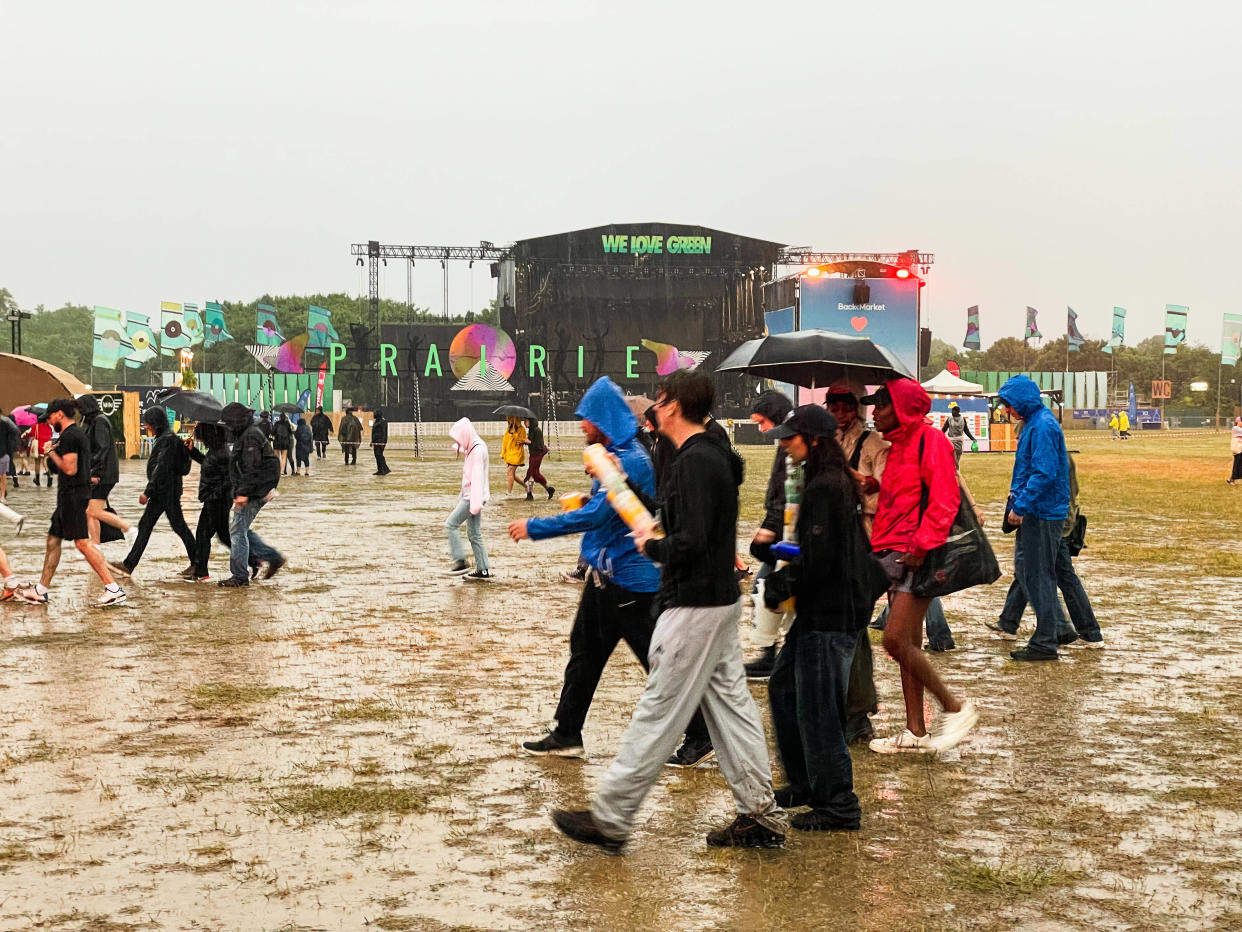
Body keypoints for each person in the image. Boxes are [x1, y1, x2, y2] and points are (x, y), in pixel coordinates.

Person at [551, 370, 787, 852]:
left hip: (696, 602)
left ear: (674, 405)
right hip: (714, 599)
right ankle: (760, 814)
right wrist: (618, 486)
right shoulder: (701, 455)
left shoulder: (697, 460)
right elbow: (675, 514)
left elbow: (691, 539)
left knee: (658, 712)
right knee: (732, 709)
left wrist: (655, 548)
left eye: (657, 400)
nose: (651, 409)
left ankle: (612, 818)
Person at [511, 376, 713, 766]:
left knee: (661, 663)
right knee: (584, 654)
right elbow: (611, 509)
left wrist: (534, 527)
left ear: (602, 419)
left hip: (633, 584)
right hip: (605, 579)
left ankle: (701, 735)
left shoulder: (630, 459)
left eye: (586, 419)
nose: (582, 426)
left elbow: (600, 513)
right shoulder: (614, 453)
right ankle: (567, 733)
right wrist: (592, 499)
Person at [758, 405, 886, 832]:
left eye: (789, 437)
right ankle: (804, 783)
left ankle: (838, 804)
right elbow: (818, 549)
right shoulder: (825, 481)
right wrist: (779, 552)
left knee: (817, 708)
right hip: (822, 609)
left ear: (812, 439)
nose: (783, 444)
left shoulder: (827, 486)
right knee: (783, 688)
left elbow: (822, 561)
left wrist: (781, 585)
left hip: (830, 613)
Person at [864, 380, 978, 753]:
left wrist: (921, 546)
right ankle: (916, 731)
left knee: (894, 639)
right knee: (907, 645)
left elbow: (945, 498)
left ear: (900, 406)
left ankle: (954, 707)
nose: (874, 411)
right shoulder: (897, 446)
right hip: (895, 555)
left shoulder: (931, 441)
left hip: (918, 556)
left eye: (881, 404)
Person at [15, 399, 126, 606]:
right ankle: (41, 589)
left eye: (49, 417)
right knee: (53, 541)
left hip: (74, 496)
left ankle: (113, 588)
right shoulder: (73, 435)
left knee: (83, 543)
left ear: (59, 414)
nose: (48, 422)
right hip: (69, 495)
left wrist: (50, 452)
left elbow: (69, 469)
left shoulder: (72, 436)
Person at [988, 453, 1103, 647]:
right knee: (1031, 571)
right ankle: (1008, 623)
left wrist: (1021, 508)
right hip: (1059, 521)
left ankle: (1075, 630)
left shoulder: (1046, 457)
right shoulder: (1063, 455)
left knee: (1049, 575)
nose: (1019, 439)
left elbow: (1040, 486)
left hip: (1049, 523)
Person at [996, 375, 1072, 661]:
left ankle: (1045, 642)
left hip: (1041, 513)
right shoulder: (1037, 423)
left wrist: (1021, 506)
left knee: (1038, 577)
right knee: (1040, 575)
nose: (1007, 410)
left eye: (1009, 405)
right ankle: (1055, 632)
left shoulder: (1041, 426)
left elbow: (1043, 473)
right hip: (1042, 511)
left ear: (1021, 402)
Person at [107, 406, 196, 579]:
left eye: (148, 423)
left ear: (155, 423)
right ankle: (197, 564)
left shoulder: (167, 441)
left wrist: (148, 492)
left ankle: (129, 565)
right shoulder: (170, 439)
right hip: (168, 491)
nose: (146, 426)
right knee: (173, 527)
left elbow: (161, 467)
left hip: (163, 492)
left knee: (153, 527)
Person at [742, 390, 794, 679]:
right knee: (765, 589)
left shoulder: (792, 445)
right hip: (782, 529)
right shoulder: (787, 443)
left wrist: (771, 525)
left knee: (765, 588)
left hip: (787, 534)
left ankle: (771, 656)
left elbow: (787, 493)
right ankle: (771, 654)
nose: (760, 429)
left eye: (762, 422)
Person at [218, 402, 285, 587]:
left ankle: (240, 576)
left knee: (237, 531)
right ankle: (271, 557)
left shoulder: (250, 436)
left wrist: (243, 494)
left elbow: (251, 467)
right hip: (255, 489)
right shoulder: (247, 434)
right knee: (240, 528)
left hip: (255, 491)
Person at [77, 395, 136, 547]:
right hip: (102, 473)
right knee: (90, 510)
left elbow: (102, 448)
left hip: (103, 474)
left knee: (93, 511)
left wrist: (96, 472)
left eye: (80, 408)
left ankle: (128, 529)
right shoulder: (93, 422)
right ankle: (96, 544)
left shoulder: (100, 421)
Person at [443, 418, 491, 581]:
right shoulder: (474, 446)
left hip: (472, 498)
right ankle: (483, 569)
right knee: (474, 534)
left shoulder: (477, 451)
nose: (458, 441)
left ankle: (460, 562)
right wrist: (457, 446)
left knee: (451, 524)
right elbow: (466, 449)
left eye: (458, 438)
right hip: (473, 497)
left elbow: (477, 479)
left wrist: (475, 504)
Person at [184, 422, 233, 582]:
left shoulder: (223, 453)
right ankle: (255, 560)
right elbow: (208, 464)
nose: (200, 439)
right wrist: (193, 452)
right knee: (223, 536)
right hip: (215, 499)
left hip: (218, 500)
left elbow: (229, 480)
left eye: (202, 436)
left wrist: (213, 494)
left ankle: (201, 573)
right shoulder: (217, 451)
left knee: (204, 535)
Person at [521, 417, 554, 501]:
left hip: (537, 455)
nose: (524, 423)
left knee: (532, 473)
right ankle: (549, 489)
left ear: (530, 421)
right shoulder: (532, 430)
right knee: (535, 474)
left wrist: (529, 442)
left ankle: (529, 494)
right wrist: (524, 442)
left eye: (526, 421)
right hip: (533, 454)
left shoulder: (537, 430)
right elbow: (531, 442)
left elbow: (539, 445)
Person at [501, 415, 526, 494]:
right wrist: (503, 453)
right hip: (509, 454)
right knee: (512, 475)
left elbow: (521, 441)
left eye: (510, 418)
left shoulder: (521, 429)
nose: (508, 419)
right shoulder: (508, 429)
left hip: (517, 454)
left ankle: (509, 492)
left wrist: (515, 434)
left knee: (510, 471)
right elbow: (505, 441)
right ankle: (527, 486)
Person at [0, 409, 18, 504]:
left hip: (3, 453)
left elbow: (14, 434)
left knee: (2, 475)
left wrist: (10, 450)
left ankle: (2, 495)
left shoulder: (7, 425)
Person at [370, 409, 390, 475]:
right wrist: (372, 441)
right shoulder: (377, 421)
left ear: (378, 414)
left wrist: (383, 442)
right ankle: (383, 469)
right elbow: (374, 433)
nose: (373, 414)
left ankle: (383, 470)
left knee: (379, 455)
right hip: (376, 442)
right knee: (378, 456)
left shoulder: (383, 421)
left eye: (374, 413)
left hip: (380, 442)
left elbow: (384, 433)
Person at [1228, 416, 1242, 485]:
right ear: (1238, 422)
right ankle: (1232, 479)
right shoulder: (1236, 428)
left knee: (1239, 464)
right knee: (1237, 464)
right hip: (1237, 449)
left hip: (1240, 448)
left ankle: (1231, 478)